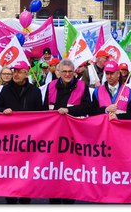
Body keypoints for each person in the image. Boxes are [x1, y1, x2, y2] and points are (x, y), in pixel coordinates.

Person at [0, 61, 45, 204]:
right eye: (14, 71)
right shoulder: (5, 89)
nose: (15, 74)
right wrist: (3, 110)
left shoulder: (35, 91)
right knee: (10, 168)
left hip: (29, 138)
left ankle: (25, 198)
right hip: (10, 138)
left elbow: (40, 114)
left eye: (19, 71)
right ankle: (10, 198)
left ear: (26, 73)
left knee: (25, 169)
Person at [43, 58, 91, 204]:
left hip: (73, 136)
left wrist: (69, 110)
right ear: (59, 72)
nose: (68, 74)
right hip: (54, 136)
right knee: (54, 169)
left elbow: (87, 107)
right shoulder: (50, 86)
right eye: (64, 71)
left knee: (70, 170)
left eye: (70, 71)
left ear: (74, 72)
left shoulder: (82, 86)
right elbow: (45, 109)